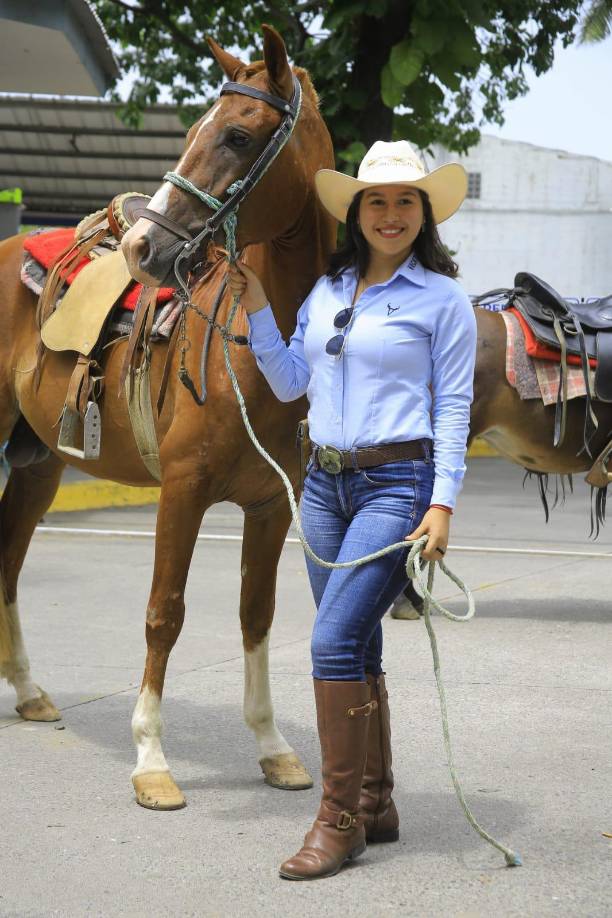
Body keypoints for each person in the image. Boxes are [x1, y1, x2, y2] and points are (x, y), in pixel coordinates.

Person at [227, 140, 477, 881]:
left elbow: (455, 407)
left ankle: (338, 823)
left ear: (423, 212)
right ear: (357, 211)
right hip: (324, 487)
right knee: (358, 649)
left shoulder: (442, 300)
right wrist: (255, 309)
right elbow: (290, 379)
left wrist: (443, 502)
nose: (390, 214)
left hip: (396, 485)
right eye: (378, 200)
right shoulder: (329, 291)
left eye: (405, 201)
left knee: (331, 643)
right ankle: (376, 802)